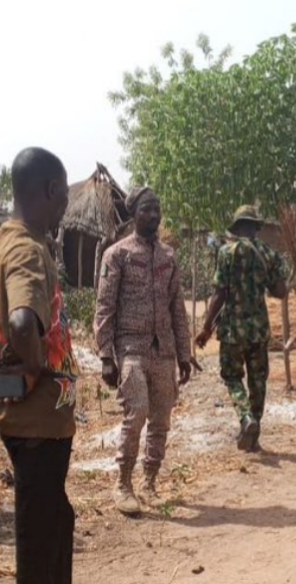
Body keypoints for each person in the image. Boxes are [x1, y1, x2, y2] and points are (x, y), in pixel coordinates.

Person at [0, 147, 77, 584]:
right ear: (51, 190)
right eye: (64, 195)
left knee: (55, 518)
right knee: (40, 535)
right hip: (37, 422)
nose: (66, 205)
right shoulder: (28, 249)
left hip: (20, 415)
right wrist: (36, 368)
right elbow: (20, 322)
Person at [95, 187, 192, 516]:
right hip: (130, 349)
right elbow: (105, 307)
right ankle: (123, 484)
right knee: (136, 413)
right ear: (134, 214)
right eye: (147, 209)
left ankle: (149, 483)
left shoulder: (168, 257)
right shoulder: (117, 255)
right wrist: (106, 357)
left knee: (161, 420)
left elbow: (177, 308)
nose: (154, 215)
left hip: (163, 351)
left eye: (157, 209)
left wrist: (184, 353)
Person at [196, 205, 287, 452]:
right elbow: (281, 292)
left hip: (233, 330)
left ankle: (246, 417)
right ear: (256, 227)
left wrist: (206, 328)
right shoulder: (269, 254)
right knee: (258, 380)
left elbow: (219, 294)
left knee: (232, 376)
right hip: (258, 329)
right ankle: (253, 430)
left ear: (237, 228)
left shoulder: (227, 252)